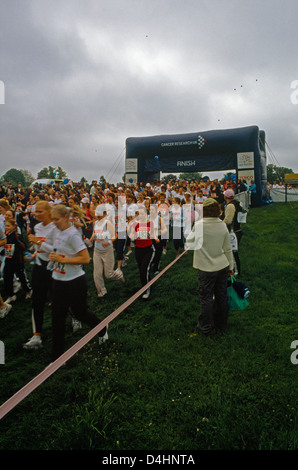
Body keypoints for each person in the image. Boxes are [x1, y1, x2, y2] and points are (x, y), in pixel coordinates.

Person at [48, 204, 108, 362]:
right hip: (58, 281)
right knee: (57, 319)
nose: (53, 222)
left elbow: (85, 258)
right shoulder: (57, 231)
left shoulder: (72, 234)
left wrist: (63, 259)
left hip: (75, 282)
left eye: (56, 219)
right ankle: (57, 359)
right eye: (52, 219)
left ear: (66, 218)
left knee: (80, 313)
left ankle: (102, 328)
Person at [186, 198, 234, 335]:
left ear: (204, 211)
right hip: (222, 266)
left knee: (206, 299)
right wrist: (231, 267)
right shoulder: (222, 225)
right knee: (221, 296)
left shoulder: (199, 224)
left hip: (206, 269)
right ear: (218, 211)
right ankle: (221, 325)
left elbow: (189, 242)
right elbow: (228, 249)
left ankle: (204, 327)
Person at [22, 201, 58, 349]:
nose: (36, 215)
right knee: (37, 301)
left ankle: (75, 316)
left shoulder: (56, 227)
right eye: (35, 212)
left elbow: (56, 250)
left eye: (40, 212)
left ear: (49, 212)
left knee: (59, 299)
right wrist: (33, 254)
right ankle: (37, 335)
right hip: (39, 266)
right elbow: (41, 247)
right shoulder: (37, 227)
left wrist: (38, 242)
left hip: (54, 266)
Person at [91, 204, 125, 298]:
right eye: (97, 214)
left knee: (108, 274)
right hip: (97, 251)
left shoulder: (107, 223)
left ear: (105, 214)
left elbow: (115, 235)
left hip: (107, 251)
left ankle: (119, 274)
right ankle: (101, 291)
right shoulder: (95, 223)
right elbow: (94, 233)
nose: (98, 216)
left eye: (100, 214)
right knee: (97, 274)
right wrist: (91, 239)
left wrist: (108, 242)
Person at [128, 206, 159, 299]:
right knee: (142, 270)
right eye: (138, 214)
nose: (140, 216)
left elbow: (153, 234)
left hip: (148, 250)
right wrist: (132, 236)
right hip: (138, 250)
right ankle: (148, 284)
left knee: (144, 269)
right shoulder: (135, 224)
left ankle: (146, 290)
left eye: (142, 214)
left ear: (146, 214)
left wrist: (156, 238)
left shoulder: (150, 223)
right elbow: (131, 234)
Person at [3, 218, 32, 303]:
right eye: (5, 226)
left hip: (17, 261)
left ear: (13, 226)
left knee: (22, 276)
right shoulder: (6, 236)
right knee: (7, 277)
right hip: (8, 260)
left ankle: (28, 290)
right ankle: (10, 295)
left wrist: (17, 248)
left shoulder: (17, 236)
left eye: (8, 226)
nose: (6, 227)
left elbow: (24, 246)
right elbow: (6, 247)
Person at [222, 189, 243, 276]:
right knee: (232, 252)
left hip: (233, 232)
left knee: (232, 252)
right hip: (236, 230)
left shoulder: (230, 206)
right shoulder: (236, 203)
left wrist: (219, 224)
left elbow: (228, 220)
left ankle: (235, 271)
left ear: (225, 197)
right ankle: (232, 270)